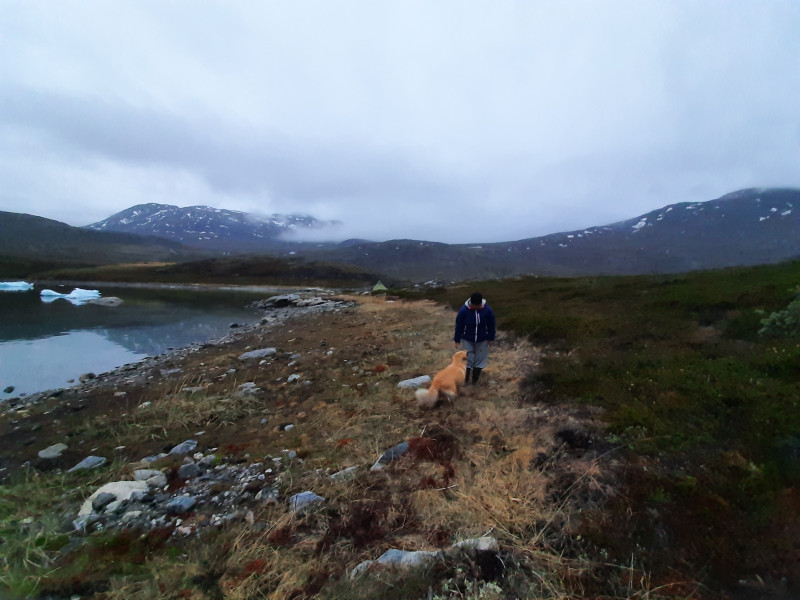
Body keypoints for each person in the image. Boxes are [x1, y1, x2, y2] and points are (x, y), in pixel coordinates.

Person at [454, 292, 496, 385]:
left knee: (480, 360)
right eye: (475, 305)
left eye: (478, 305)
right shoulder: (463, 311)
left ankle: (474, 382)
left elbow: (491, 325)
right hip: (467, 338)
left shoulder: (487, 310)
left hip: (482, 339)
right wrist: (457, 340)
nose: (477, 307)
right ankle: (465, 381)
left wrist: (491, 338)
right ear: (471, 303)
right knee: (467, 359)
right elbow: (459, 326)